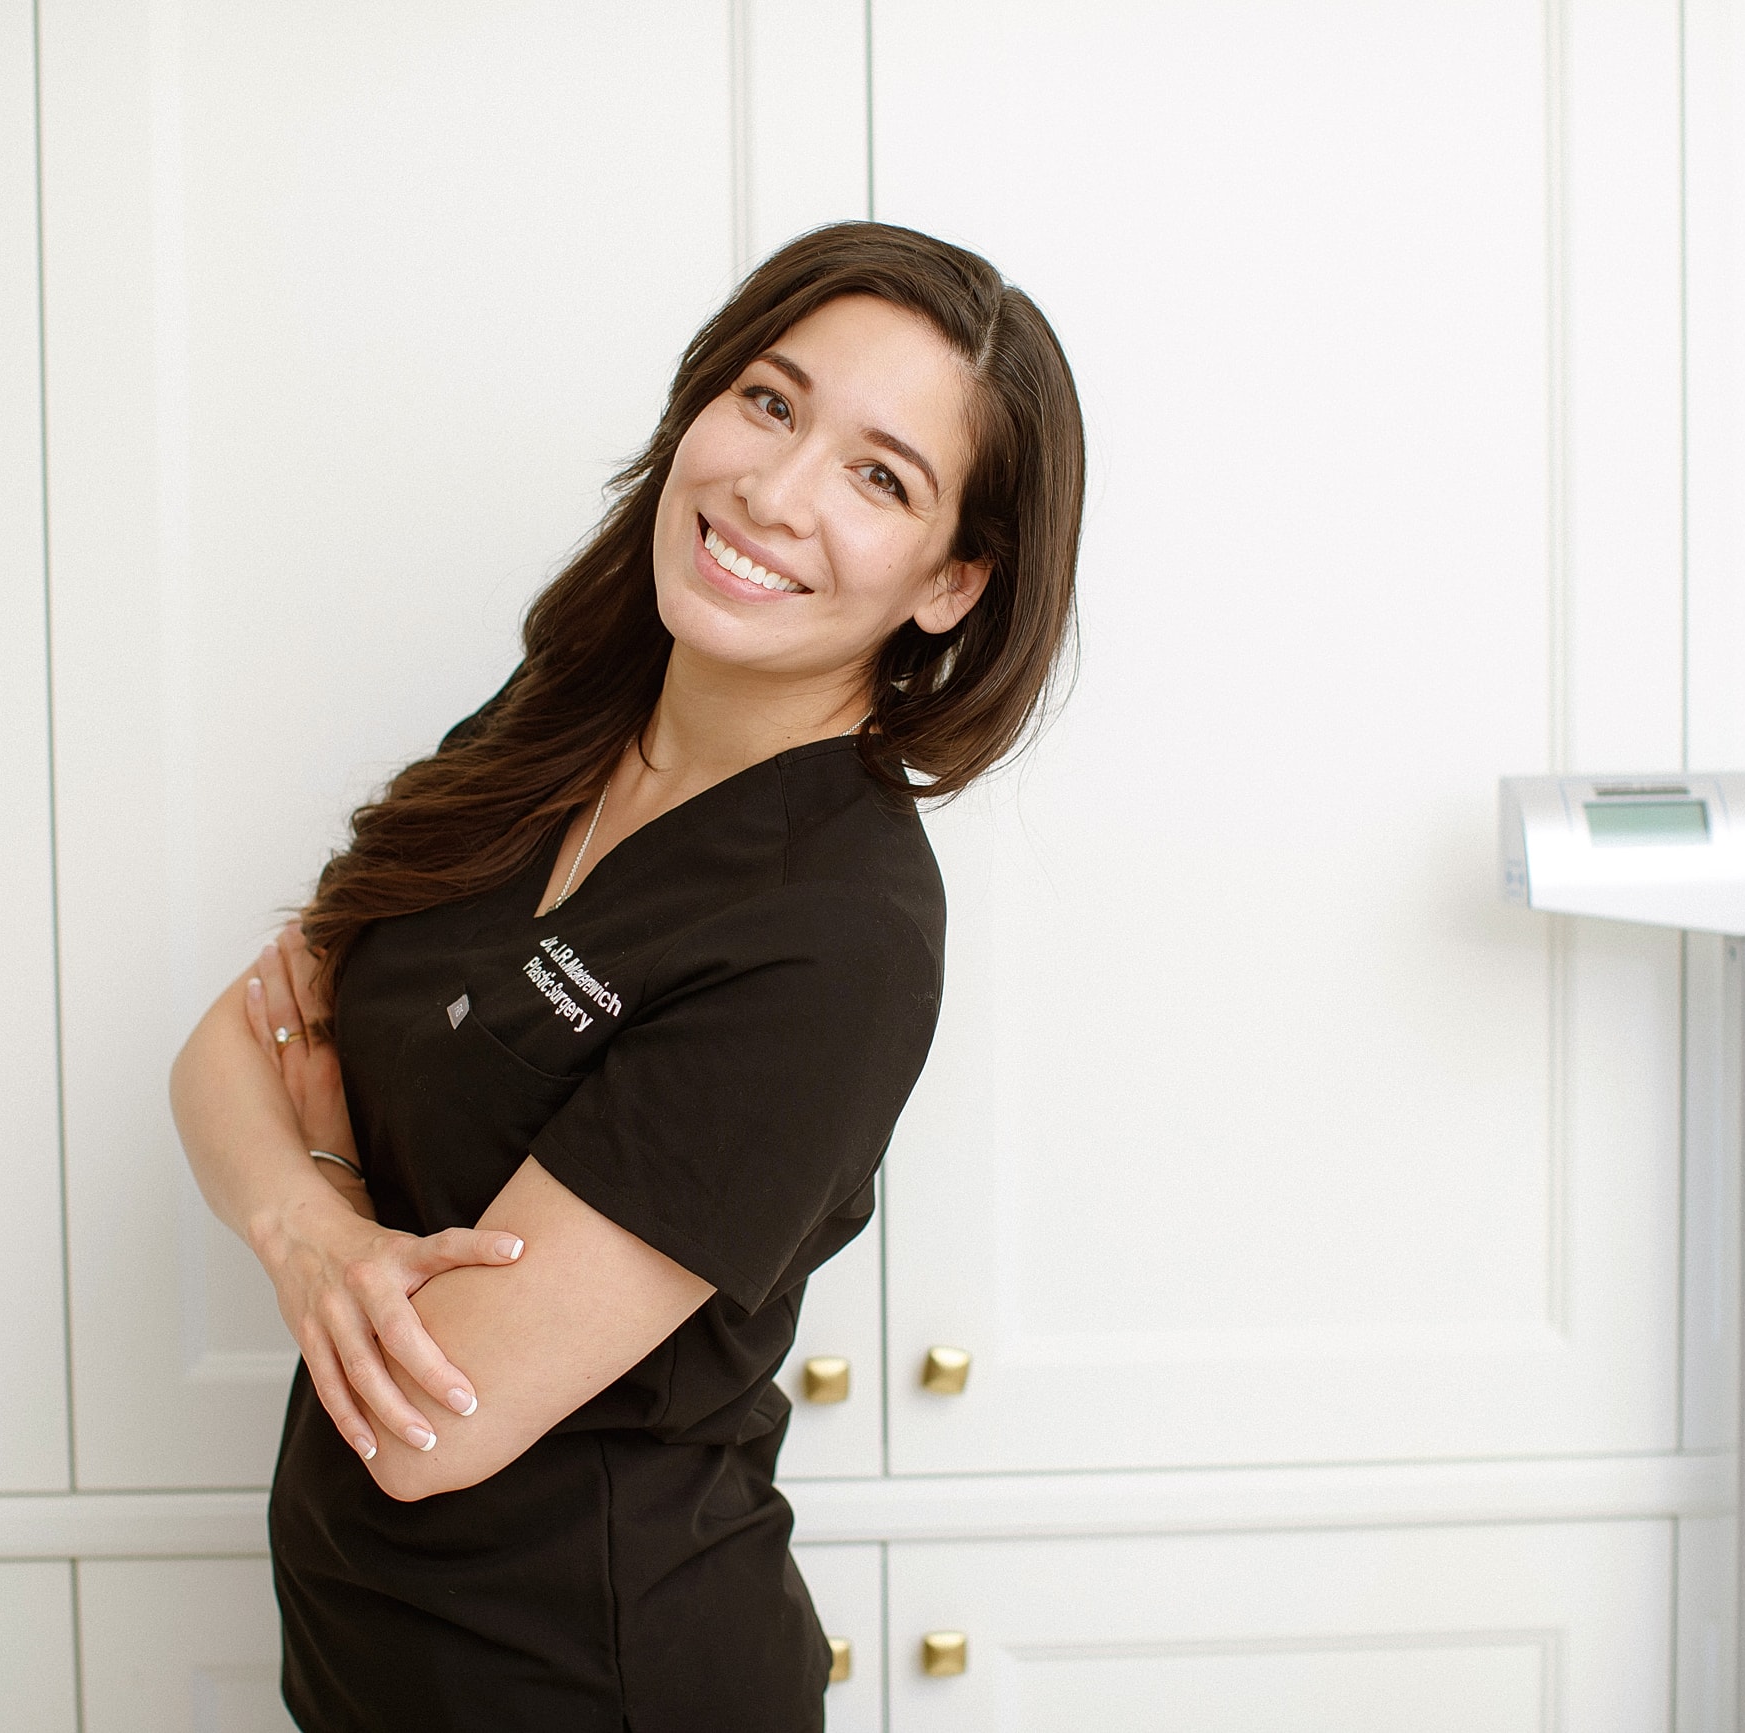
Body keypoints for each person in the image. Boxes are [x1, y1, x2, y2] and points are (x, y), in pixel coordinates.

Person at [169, 221, 1083, 1732]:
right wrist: (316, 1228)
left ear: (950, 581)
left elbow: (424, 1418)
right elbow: (228, 1042)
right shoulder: (568, 707)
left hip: (600, 1677)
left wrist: (308, 1173)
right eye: (772, 403)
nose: (775, 493)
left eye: (880, 477)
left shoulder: (834, 933)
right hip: (370, 1658)